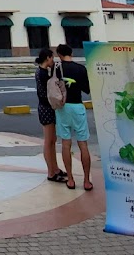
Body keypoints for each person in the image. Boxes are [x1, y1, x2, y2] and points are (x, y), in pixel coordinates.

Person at [55, 43, 93, 191]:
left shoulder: (57, 69)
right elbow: (87, 89)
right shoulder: (81, 68)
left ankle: (70, 179)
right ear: (71, 53)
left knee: (66, 143)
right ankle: (87, 181)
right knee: (83, 144)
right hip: (78, 106)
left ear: (59, 54)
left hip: (62, 107)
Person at [34, 47, 67, 182]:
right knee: (49, 141)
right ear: (47, 58)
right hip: (46, 109)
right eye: (52, 58)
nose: (53, 60)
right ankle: (51, 172)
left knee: (52, 140)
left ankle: (55, 168)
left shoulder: (41, 71)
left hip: (46, 108)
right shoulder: (43, 74)